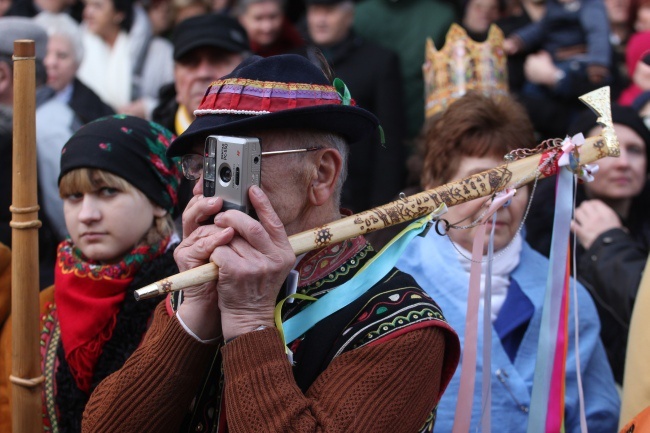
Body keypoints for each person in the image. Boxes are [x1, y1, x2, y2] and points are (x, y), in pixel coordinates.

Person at [82, 54, 460, 433]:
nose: (201, 189)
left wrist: (249, 322)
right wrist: (193, 319)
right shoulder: (203, 281)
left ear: (321, 175)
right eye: (203, 165)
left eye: (232, 164)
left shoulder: (403, 325)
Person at [397, 92, 620, 432]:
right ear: (435, 187)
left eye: (517, 182)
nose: (501, 200)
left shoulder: (568, 298)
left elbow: (599, 418)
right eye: (481, 181)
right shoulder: (391, 289)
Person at [0, 115, 182, 432]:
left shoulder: (189, 302)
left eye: (108, 191)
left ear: (158, 201)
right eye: (74, 197)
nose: (87, 215)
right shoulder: (38, 309)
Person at [527, 104, 650, 385]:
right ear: (576, 162)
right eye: (605, 149)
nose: (623, 162)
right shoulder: (544, 235)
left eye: (636, 150)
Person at [302, 0, 407, 212]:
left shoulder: (380, 61)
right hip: (303, 189)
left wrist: (382, 206)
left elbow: (389, 139)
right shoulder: (292, 59)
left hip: (358, 195)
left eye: (329, 11)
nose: (320, 20)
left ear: (349, 16)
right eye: (315, 11)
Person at [152, 13, 249, 224]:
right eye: (190, 62)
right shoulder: (150, 146)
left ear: (247, 67)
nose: (203, 72)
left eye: (218, 59)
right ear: (175, 75)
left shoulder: (273, 139)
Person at [353, 0, 456, 140]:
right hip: (366, 134)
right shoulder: (357, 15)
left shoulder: (441, 17)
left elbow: (450, 81)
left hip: (423, 134)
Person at [77, 0, 174, 118]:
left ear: (119, 14)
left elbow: (176, 100)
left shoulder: (159, 51)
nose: (88, 12)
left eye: (97, 6)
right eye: (86, 5)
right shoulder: (77, 47)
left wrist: (149, 108)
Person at [232, 0, 304, 56]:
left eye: (273, 17)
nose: (267, 27)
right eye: (258, 18)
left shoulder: (299, 44)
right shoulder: (231, 53)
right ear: (241, 20)